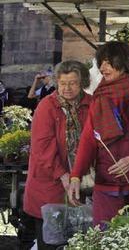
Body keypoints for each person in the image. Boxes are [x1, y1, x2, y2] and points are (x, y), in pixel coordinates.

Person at [68, 41, 129, 226]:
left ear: (123, 62)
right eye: (101, 63)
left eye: (108, 62)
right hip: (107, 182)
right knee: (106, 238)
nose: (103, 67)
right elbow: (89, 139)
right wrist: (76, 176)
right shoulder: (100, 95)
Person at [23, 60, 92, 250]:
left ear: (82, 82)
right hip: (50, 183)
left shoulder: (91, 104)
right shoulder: (46, 106)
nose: (67, 88)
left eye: (73, 83)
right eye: (63, 83)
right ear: (56, 83)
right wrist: (64, 176)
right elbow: (42, 147)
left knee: (80, 240)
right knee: (51, 240)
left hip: (84, 182)